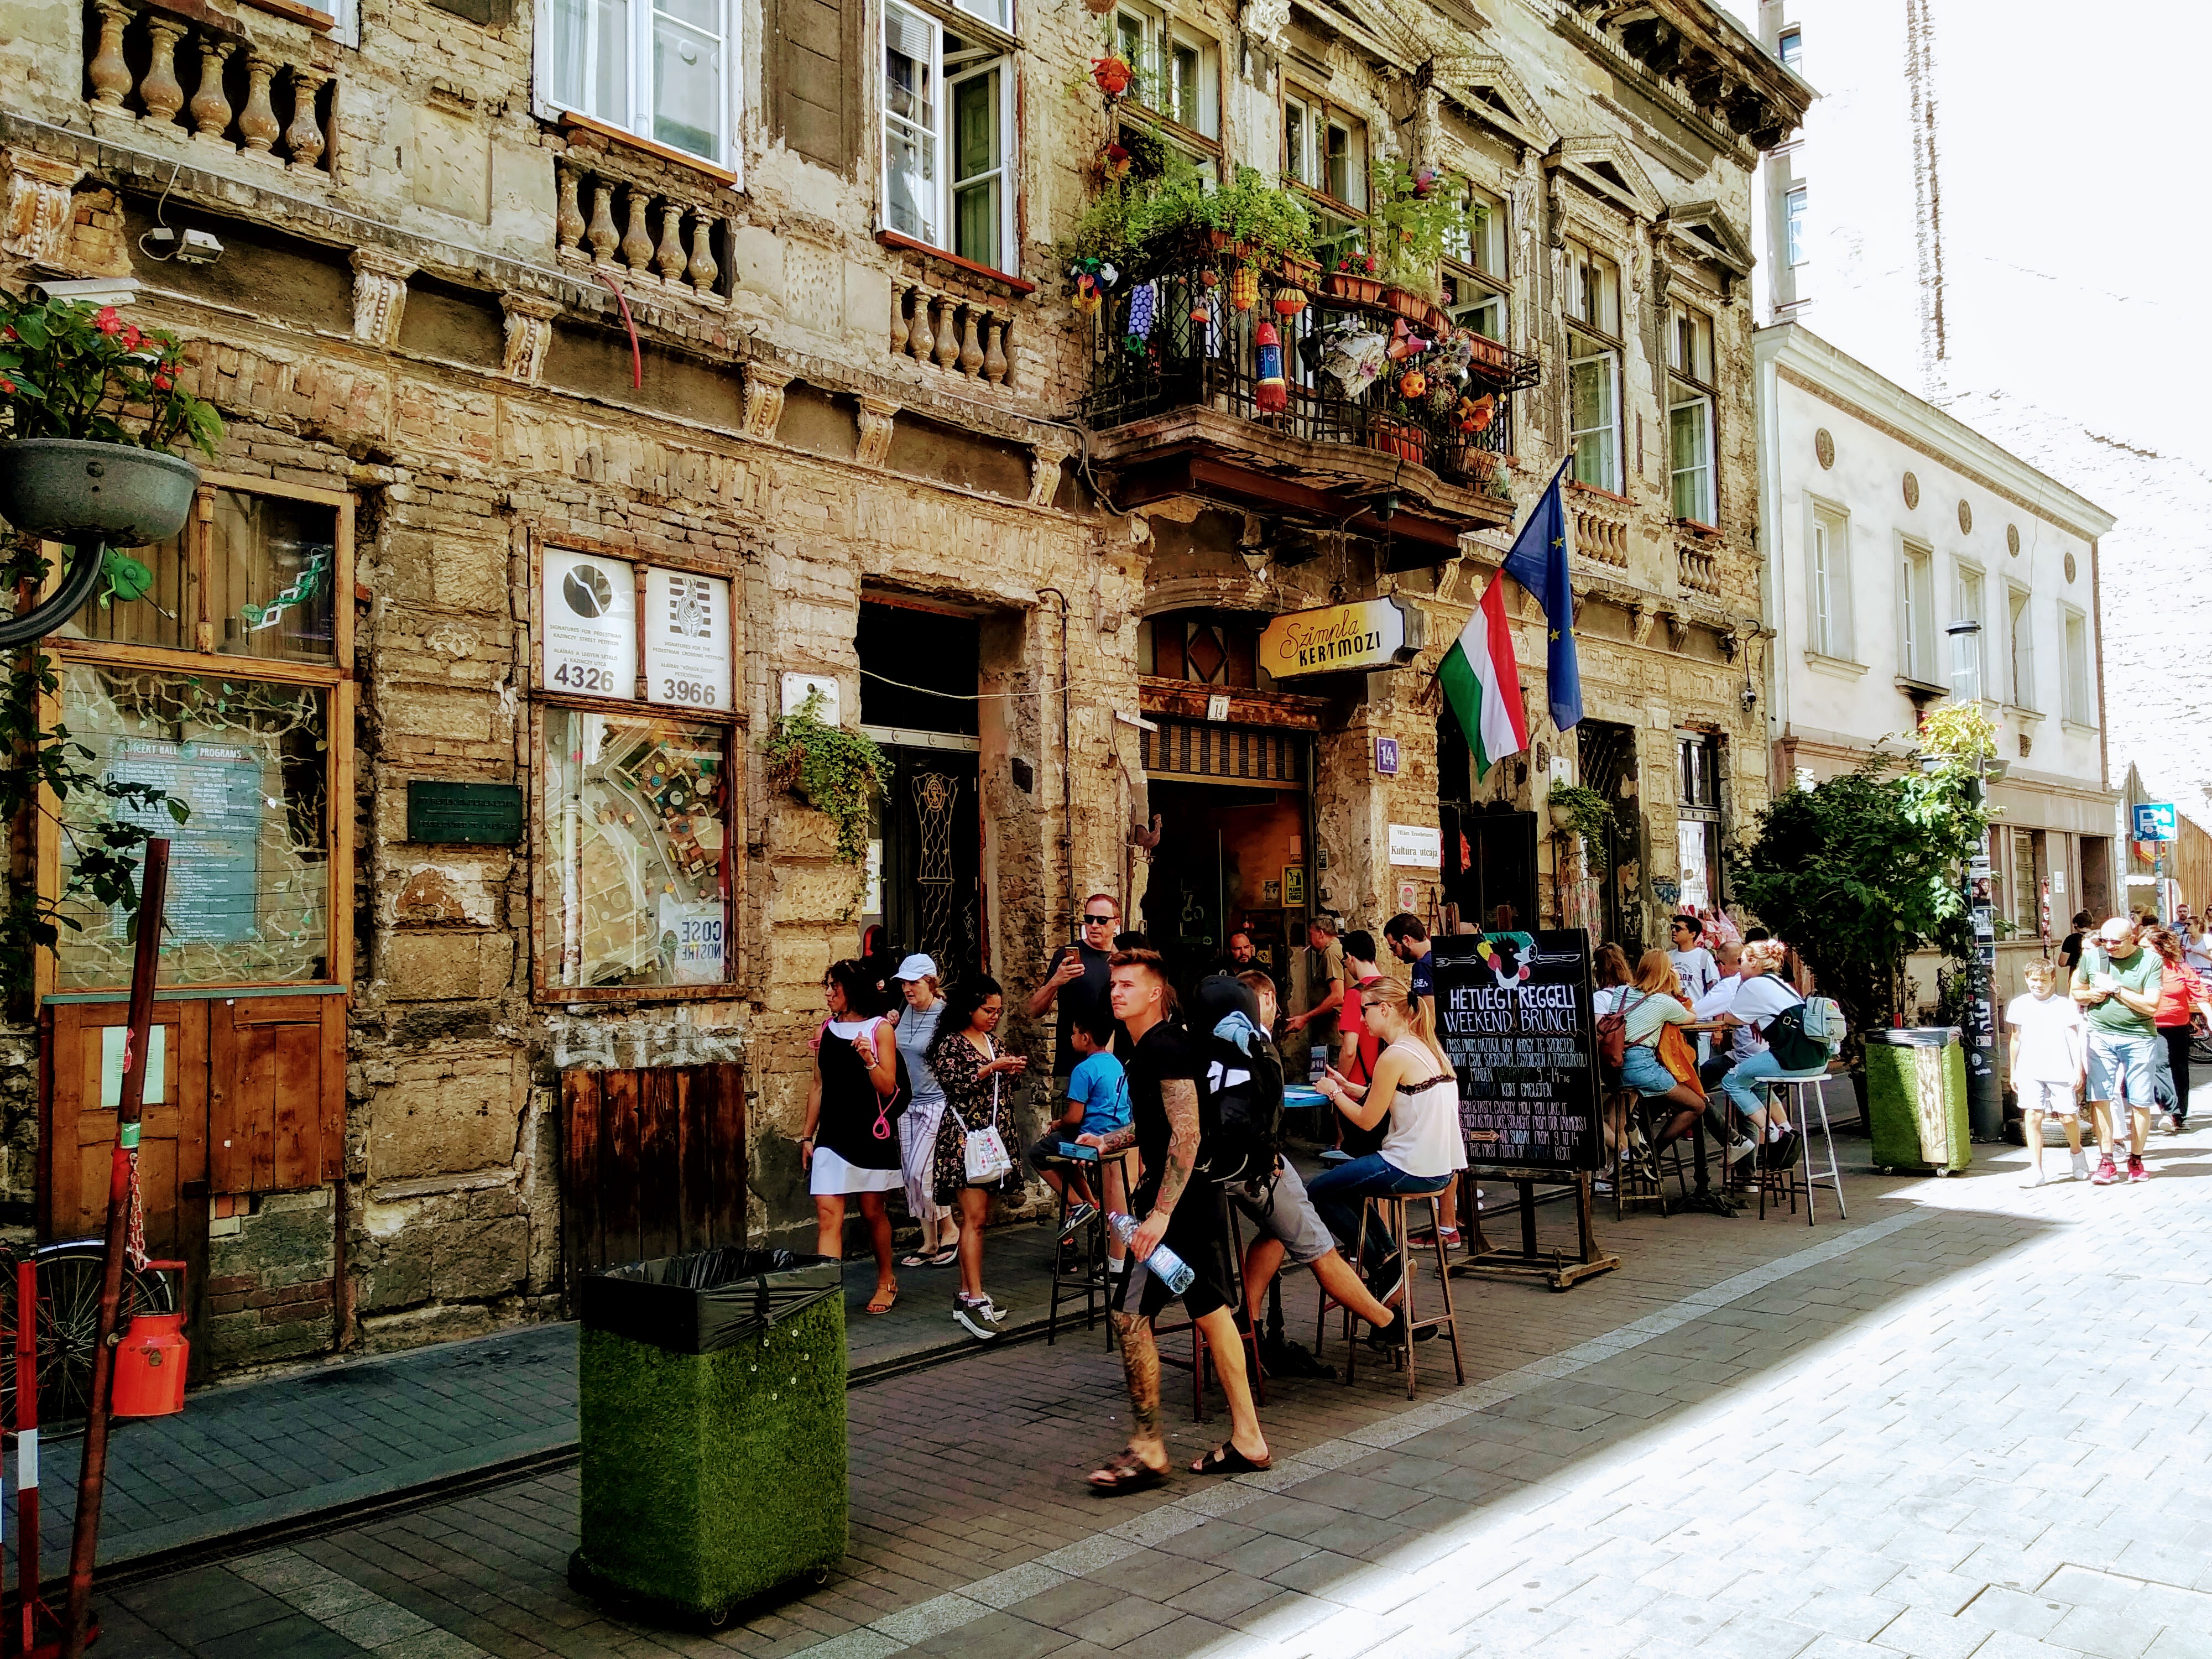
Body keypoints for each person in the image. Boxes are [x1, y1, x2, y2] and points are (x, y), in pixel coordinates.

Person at [1082, 950, 1269, 1491]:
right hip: (1192, 1206)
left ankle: (1148, 1447)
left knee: (1130, 1316)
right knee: (1210, 1312)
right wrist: (1111, 1140)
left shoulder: (1163, 1046)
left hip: (1179, 1215)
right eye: (1113, 984)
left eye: (1127, 985)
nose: (1115, 992)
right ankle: (1248, 1436)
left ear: (1154, 994)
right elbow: (1163, 1125)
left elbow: (1186, 1134)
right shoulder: (1147, 1048)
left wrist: (1159, 1215)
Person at [1222, 972, 1410, 1348]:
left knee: (1286, 1222)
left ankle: (1250, 1320)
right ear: (1272, 1001)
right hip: (1255, 1165)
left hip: (1227, 1166)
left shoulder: (1218, 1042)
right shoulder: (1258, 1047)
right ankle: (1387, 1319)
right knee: (1319, 1232)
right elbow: (1267, 1121)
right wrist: (1341, 1095)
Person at [1308, 975, 1467, 1304]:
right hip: (1440, 1168)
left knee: (1317, 1192)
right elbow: (1402, 1096)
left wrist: (1334, 1092)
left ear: (1384, 1009)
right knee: (1346, 1187)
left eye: (1365, 1011)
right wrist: (1353, 1089)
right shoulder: (1426, 1044)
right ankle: (1390, 1263)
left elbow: (1368, 1122)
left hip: (1408, 1165)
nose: (1361, 1018)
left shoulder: (1393, 1056)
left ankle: (1384, 1265)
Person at [928, 975, 1030, 1338]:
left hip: (991, 1141)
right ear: (969, 1007)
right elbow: (956, 1082)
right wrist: (992, 1068)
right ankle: (973, 1299)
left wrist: (1011, 1070)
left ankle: (969, 1293)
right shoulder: (950, 1044)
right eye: (988, 1010)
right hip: (964, 1142)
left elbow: (1005, 1087)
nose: (994, 1017)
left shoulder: (993, 1042)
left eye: (998, 1012)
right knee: (973, 1219)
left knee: (980, 1220)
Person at [800, 960, 904, 1317]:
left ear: (852, 991)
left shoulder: (880, 1030)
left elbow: (888, 1087)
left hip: (869, 1135)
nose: (828, 993)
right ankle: (824, 1298)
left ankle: (886, 1278)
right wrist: (806, 1136)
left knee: (873, 1212)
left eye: (835, 987)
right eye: (827, 986)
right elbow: (818, 1085)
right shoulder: (827, 1028)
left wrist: (868, 1059)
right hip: (832, 1135)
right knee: (828, 1215)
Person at [1026, 1011, 1133, 1272]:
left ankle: (1078, 1205)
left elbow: (1074, 1118)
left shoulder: (1083, 1069)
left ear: (1085, 1038)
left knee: (1039, 1153)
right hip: (1117, 1134)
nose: (1070, 1037)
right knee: (1063, 1155)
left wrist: (1056, 1124)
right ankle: (1092, 1204)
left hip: (1090, 1137)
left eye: (1074, 1033)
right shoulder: (1117, 1063)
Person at [2072, 916, 2167, 1185]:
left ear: (2132, 938)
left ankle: (2136, 1159)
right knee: (2099, 1097)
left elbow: (2151, 1006)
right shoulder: (2093, 958)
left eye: (2116, 941)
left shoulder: (2150, 961)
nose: (2109, 946)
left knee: (2140, 1100)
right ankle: (2106, 1161)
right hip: (2100, 1035)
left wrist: (2116, 989)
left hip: (2139, 1037)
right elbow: (2076, 991)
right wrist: (2092, 995)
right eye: (2104, 940)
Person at [1713, 938, 1819, 1162]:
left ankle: (1773, 1135)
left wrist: (1747, 1020)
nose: (1738, 966)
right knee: (1757, 1081)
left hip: (1792, 1056)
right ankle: (1787, 1130)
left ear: (1753, 962)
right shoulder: (1778, 982)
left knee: (1732, 1081)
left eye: (1741, 961)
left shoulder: (1753, 984)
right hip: (1814, 1055)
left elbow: (1732, 1019)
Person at [890, 954, 960, 1269]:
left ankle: (951, 1229)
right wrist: (891, 1022)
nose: (907, 988)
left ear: (930, 983)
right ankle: (929, 1241)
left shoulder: (946, 1016)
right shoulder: (905, 1011)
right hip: (909, 1103)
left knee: (923, 1171)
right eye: (904, 982)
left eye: (914, 982)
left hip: (938, 1102)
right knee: (910, 1174)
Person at [1616, 951, 1708, 1171]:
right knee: (1697, 1105)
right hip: (1641, 1067)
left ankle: (1639, 1136)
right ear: (1667, 972)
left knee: (1665, 1095)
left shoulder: (1621, 992)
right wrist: (1676, 986)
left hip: (1614, 1066)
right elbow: (1691, 1016)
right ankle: (1653, 1154)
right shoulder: (1664, 1002)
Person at [2007, 959, 2087, 1185]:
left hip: (2060, 1067)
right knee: (2033, 1116)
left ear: (2053, 981)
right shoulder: (2019, 1005)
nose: (2038, 984)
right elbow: (2016, 1038)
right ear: (2027, 980)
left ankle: (2077, 1152)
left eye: (2043, 980)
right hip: (2029, 1068)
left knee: (2068, 1117)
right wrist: (2014, 1071)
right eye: (2034, 980)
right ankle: (2037, 1169)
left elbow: (2073, 1038)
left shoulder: (2063, 1005)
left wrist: (2077, 1068)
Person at [1030, 894, 1120, 1078]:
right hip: (1072, 1068)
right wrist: (1056, 981)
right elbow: (1034, 1011)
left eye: (1102, 920)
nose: (1094, 925)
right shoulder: (1065, 956)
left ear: (1116, 923)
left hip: (1115, 1069)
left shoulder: (1124, 959)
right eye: (1089, 919)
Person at [1691, 942, 1762, 1166]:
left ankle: (1734, 1141)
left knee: (1690, 1089)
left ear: (1724, 964)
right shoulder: (1768, 982)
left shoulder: (1732, 985)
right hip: (1774, 1057)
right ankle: (1747, 1174)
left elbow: (1696, 1012)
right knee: (1705, 1081)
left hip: (1748, 1060)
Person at [2145, 927, 2209, 1135]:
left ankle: (2180, 1115)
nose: (2141, 951)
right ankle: (2170, 1111)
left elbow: (2201, 997)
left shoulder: (2179, 969)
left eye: (2146, 947)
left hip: (2179, 1025)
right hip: (2152, 1025)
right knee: (2160, 1065)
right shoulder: (2140, 969)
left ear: (2160, 948)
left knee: (2180, 1069)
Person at [1590, 942, 1636, 1188]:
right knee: (1618, 1119)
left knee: (1590, 1117)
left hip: (1614, 1069)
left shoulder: (1600, 998)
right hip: (1639, 1066)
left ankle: (1623, 1152)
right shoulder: (1636, 993)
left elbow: (1600, 1037)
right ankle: (1610, 1175)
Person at [1285, 915, 1346, 1045]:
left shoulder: (1331, 953)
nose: (1309, 939)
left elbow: (1338, 996)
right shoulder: (1331, 951)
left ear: (1320, 934)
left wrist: (1305, 1018)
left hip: (1334, 1036)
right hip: (1328, 1033)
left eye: (1310, 934)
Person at [1383, 913, 1436, 1016]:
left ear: (1407, 940)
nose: (1394, 954)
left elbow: (1428, 1013)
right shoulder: (1442, 956)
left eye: (1394, 947)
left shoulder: (1422, 966)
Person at [1667, 914, 1721, 1001]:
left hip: (1697, 1011)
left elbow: (1714, 987)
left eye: (1678, 929)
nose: (1674, 931)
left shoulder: (1704, 957)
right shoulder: (1667, 957)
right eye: (1673, 927)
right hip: (1673, 1011)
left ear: (1692, 934)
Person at [2058, 910, 2093, 979]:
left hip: (2077, 974)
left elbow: (2062, 963)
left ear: (2076, 924)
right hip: (2095, 972)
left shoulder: (2071, 939)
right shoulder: (2098, 937)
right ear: (2090, 925)